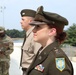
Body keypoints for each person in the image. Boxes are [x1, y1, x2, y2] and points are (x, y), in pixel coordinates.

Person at [26, 6, 74, 75]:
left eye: (38, 26)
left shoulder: (56, 58)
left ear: (52, 31)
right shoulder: (43, 52)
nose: (33, 30)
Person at [20, 9, 41, 75]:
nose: (20, 22)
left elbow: (39, 58)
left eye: (23, 20)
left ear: (30, 21)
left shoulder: (34, 35)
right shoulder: (28, 34)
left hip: (31, 71)